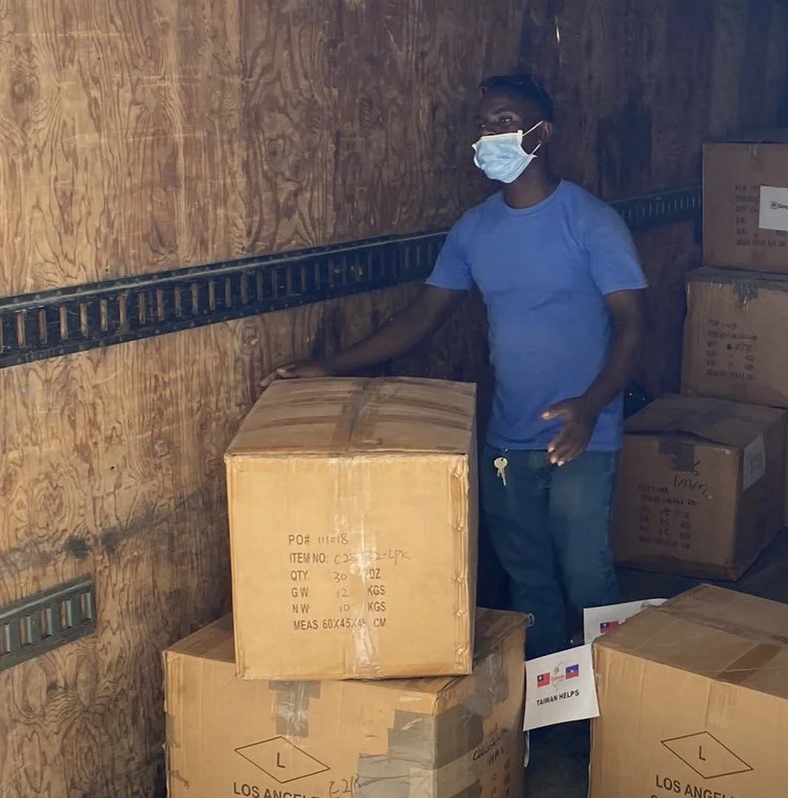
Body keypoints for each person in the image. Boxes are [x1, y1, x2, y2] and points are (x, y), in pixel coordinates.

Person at [274, 74, 646, 661]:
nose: (488, 135)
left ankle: (617, 713)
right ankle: (546, 719)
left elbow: (631, 325)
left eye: (504, 121)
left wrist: (590, 406)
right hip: (506, 440)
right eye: (482, 124)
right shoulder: (474, 230)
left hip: (583, 435)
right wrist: (331, 367)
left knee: (587, 580)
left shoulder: (590, 221)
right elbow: (422, 317)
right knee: (528, 585)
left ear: (541, 133)